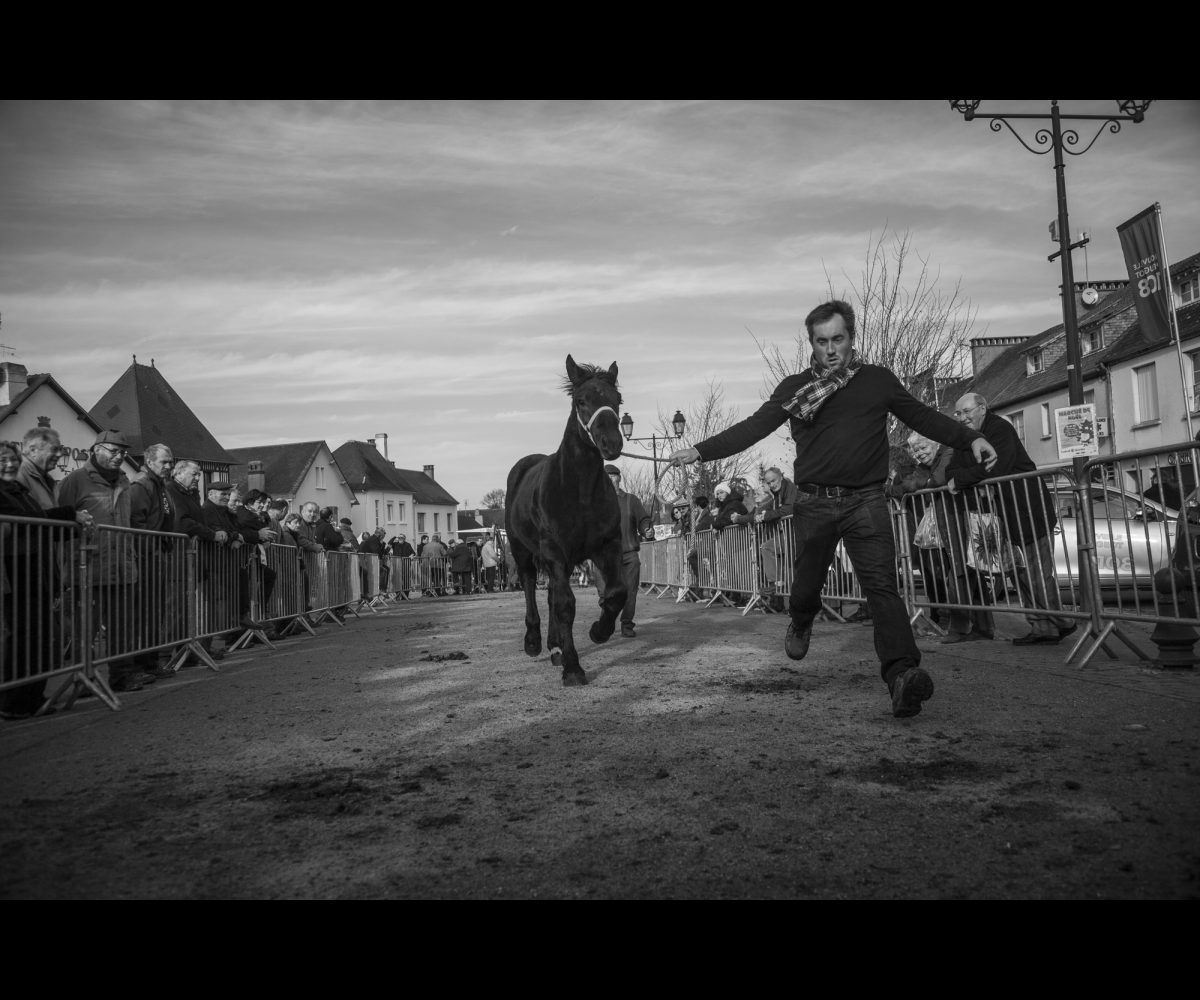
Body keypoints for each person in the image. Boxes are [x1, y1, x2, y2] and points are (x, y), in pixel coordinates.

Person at [669, 299, 997, 719]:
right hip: (814, 503)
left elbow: (921, 416)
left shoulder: (877, 381)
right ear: (812, 343)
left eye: (837, 339)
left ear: (851, 338)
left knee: (882, 587)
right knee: (806, 586)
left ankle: (901, 675)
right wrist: (698, 450)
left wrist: (969, 438)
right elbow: (752, 428)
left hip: (866, 501)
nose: (830, 349)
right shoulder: (794, 389)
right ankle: (801, 619)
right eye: (821, 341)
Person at [948, 392, 1074, 646]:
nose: (962, 418)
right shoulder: (967, 439)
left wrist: (962, 480)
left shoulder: (1000, 429)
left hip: (1027, 510)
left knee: (1037, 571)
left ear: (982, 408)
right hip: (1004, 515)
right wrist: (966, 476)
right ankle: (1043, 626)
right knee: (1020, 573)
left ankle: (1059, 621)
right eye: (958, 413)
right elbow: (952, 468)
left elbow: (996, 466)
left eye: (967, 412)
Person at [0, 439, 93, 718]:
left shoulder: (18, 490)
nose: (9, 464)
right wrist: (67, 516)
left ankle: (31, 698)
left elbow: (38, 519)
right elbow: (28, 520)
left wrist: (70, 518)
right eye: (3, 460)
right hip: (16, 571)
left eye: (12, 460)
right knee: (24, 637)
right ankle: (13, 702)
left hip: (37, 569)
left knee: (40, 637)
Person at [55, 429, 152, 693]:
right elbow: (60, 524)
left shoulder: (124, 481)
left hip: (122, 566)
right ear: (96, 449)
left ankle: (122, 675)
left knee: (124, 627)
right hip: (88, 567)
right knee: (84, 628)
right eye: (114, 451)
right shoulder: (75, 481)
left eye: (123, 452)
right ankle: (82, 678)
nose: (120, 456)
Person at [127, 442, 180, 677]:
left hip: (157, 555)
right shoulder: (142, 484)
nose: (169, 466)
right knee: (145, 613)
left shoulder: (160, 485)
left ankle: (150, 662)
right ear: (149, 462)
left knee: (154, 611)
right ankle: (142, 663)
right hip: (146, 556)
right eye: (164, 462)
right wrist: (149, 551)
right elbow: (137, 521)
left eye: (171, 462)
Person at [591, 465, 654, 637]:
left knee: (629, 592)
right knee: (605, 594)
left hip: (629, 554)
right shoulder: (594, 503)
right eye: (605, 477)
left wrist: (647, 529)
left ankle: (627, 624)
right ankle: (606, 621)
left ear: (619, 478)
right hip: (603, 556)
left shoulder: (630, 500)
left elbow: (643, 519)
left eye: (613, 476)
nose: (610, 480)